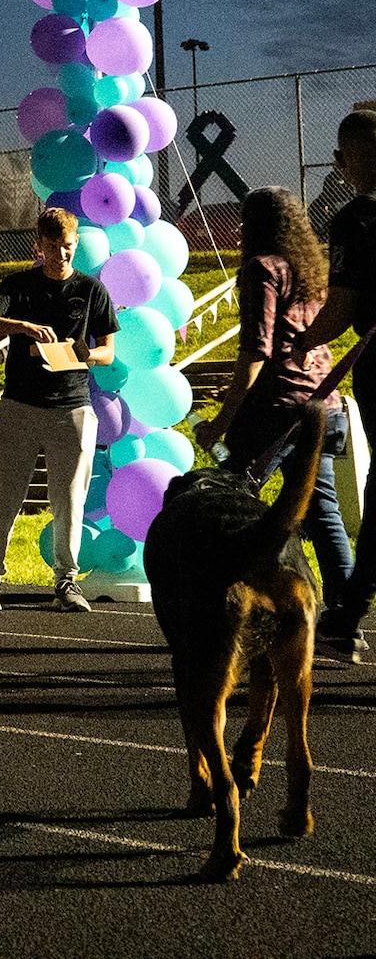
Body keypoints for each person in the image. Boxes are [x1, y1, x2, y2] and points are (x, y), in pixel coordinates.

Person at [195, 187, 359, 653]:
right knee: (324, 514)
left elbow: (257, 350)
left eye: (246, 221)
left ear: (257, 225)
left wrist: (221, 422)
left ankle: (222, 616)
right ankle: (344, 625)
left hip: (278, 411)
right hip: (322, 405)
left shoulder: (261, 268)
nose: (242, 229)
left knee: (229, 497)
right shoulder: (308, 270)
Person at [0, 206, 118, 614]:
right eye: (52, 247)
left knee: (69, 498)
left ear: (76, 244)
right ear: (38, 246)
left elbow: (108, 350)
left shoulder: (91, 290)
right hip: (19, 406)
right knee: (4, 494)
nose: (61, 254)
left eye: (67, 246)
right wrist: (22, 327)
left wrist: (89, 355)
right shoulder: (18, 284)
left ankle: (66, 582)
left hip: (72, 409)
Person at [292, 109, 376, 662]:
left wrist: (297, 346)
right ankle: (347, 609)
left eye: (341, 156)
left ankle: (347, 610)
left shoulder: (355, 221)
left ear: (352, 157)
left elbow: (342, 308)